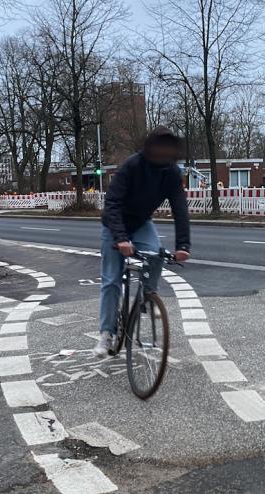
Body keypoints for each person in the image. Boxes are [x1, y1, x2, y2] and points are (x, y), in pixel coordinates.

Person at [94, 126, 191, 357]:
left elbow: (180, 208)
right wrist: (121, 239)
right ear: (149, 147)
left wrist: (183, 246)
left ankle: (149, 296)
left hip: (140, 223)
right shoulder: (132, 166)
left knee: (156, 253)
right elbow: (113, 204)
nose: (162, 153)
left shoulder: (171, 173)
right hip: (114, 225)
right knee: (111, 280)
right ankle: (106, 334)